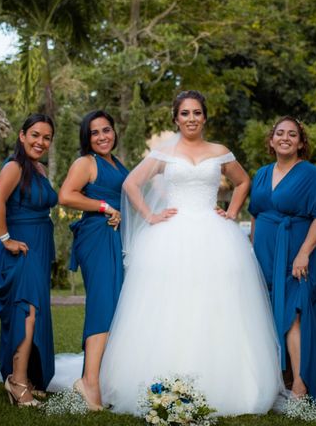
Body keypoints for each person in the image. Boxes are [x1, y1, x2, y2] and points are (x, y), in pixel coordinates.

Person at [98, 90, 284, 416]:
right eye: (185, 113)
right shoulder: (164, 154)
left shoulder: (220, 151)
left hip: (215, 235)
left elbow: (243, 182)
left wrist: (233, 211)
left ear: (205, 117)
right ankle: (164, 378)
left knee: (218, 304)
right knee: (172, 304)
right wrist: (151, 216)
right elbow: (131, 184)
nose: (191, 118)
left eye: (197, 112)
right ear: (176, 118)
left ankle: (228, 382)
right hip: (172, 235)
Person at [249, 116, 316, 401]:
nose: (285, 138)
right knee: (269, 317)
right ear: (271, 140)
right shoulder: (262, 173)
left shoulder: (310, 174)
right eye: (280, 133)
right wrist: (252, 251)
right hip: (264, 256)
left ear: (301, 142)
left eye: (292, 134)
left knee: (293, 316)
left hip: (295, 255)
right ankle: (279, 379)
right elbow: (255, 215)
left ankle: (300, 385)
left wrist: (303, 253)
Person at [57, 110, 128, 410]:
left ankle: (98, 378)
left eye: (107, 130)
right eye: (95, 132)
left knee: (113, 306)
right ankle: (88, 382)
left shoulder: (116, 163)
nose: (102, 137)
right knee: (102, 304)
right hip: (96, 236)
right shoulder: (86, 163)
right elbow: (66, 195)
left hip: (114, 237)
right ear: (87, 138)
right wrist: (103, 206)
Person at [0, 114, 57, 407]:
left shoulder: (38, 168)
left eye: (46, 137)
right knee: (26, 313)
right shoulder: (14, 167)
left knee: (34, 313)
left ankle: (26, 376)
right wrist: (6, 240)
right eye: (35, 135)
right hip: (21, 249)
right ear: (22, 135)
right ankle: (16, 382)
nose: (40, 142)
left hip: (39, 247)